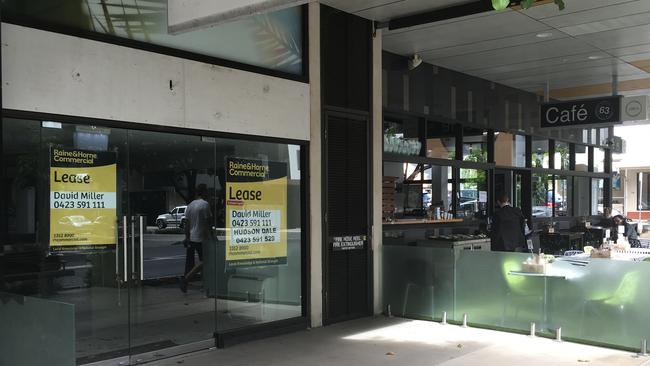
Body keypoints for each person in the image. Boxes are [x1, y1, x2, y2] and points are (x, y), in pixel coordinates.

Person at [180, 184, 213, 293]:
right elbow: (208, 224)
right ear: (203, 192)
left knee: (192, 262)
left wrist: (187, 237)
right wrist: (212, 237)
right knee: (205, 261)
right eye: (207, 191)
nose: (208, 193)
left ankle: (202, 283)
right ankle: (186, 279)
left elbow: (187, 224)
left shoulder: (190, 205)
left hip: (192, 237)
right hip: (202, 238)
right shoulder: (205, 205)